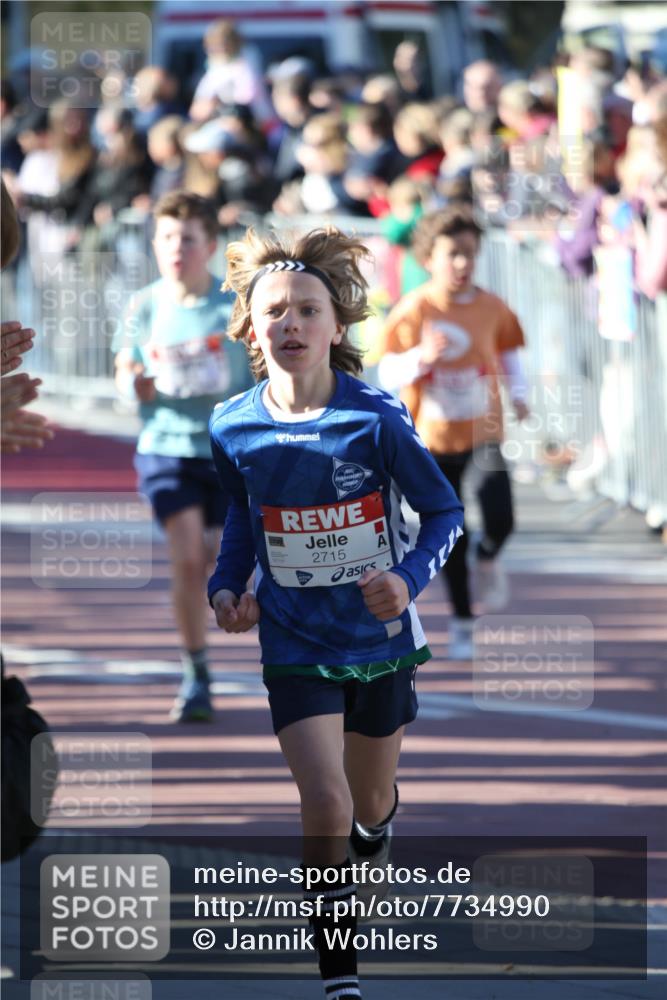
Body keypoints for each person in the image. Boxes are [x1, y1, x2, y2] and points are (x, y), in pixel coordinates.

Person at [207, 226, 464, 999]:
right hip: (291, 635)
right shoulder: (231, 425)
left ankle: (375, 833)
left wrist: (409, 578)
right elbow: (241, 521)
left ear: (336, 326)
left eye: (307, 310)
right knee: (323, 798)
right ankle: (338, 977)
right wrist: (226, 587)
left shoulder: (375, 418)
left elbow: (444, 512)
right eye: (274, 312)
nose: (290, 324)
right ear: (252, 329)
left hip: (377, 636)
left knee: (369, 802)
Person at [114, 191, 253, 722]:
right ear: (155, 244)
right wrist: (134, 386)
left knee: (222, 556)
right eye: (167, 238)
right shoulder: (143, 305)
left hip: (223, 451)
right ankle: (196, 671)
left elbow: (255, 377)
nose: (177, 249)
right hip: (166, 448)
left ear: (210, 246)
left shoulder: (231, 307)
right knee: (188, 556)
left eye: (188, 239)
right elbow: (123, 370)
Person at [378, 204, 529, 660]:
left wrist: (520, 393)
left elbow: (509, 351)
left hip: (484, 430)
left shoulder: (490, 306)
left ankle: (490, 554)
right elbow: (385, 370)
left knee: (501, 517)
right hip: (432, 439)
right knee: (451, 530)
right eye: (452, 254)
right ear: (429, 258)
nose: (462, 264)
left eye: (470, 254)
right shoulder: (416, 308)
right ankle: (463, 621)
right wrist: (420, 359)